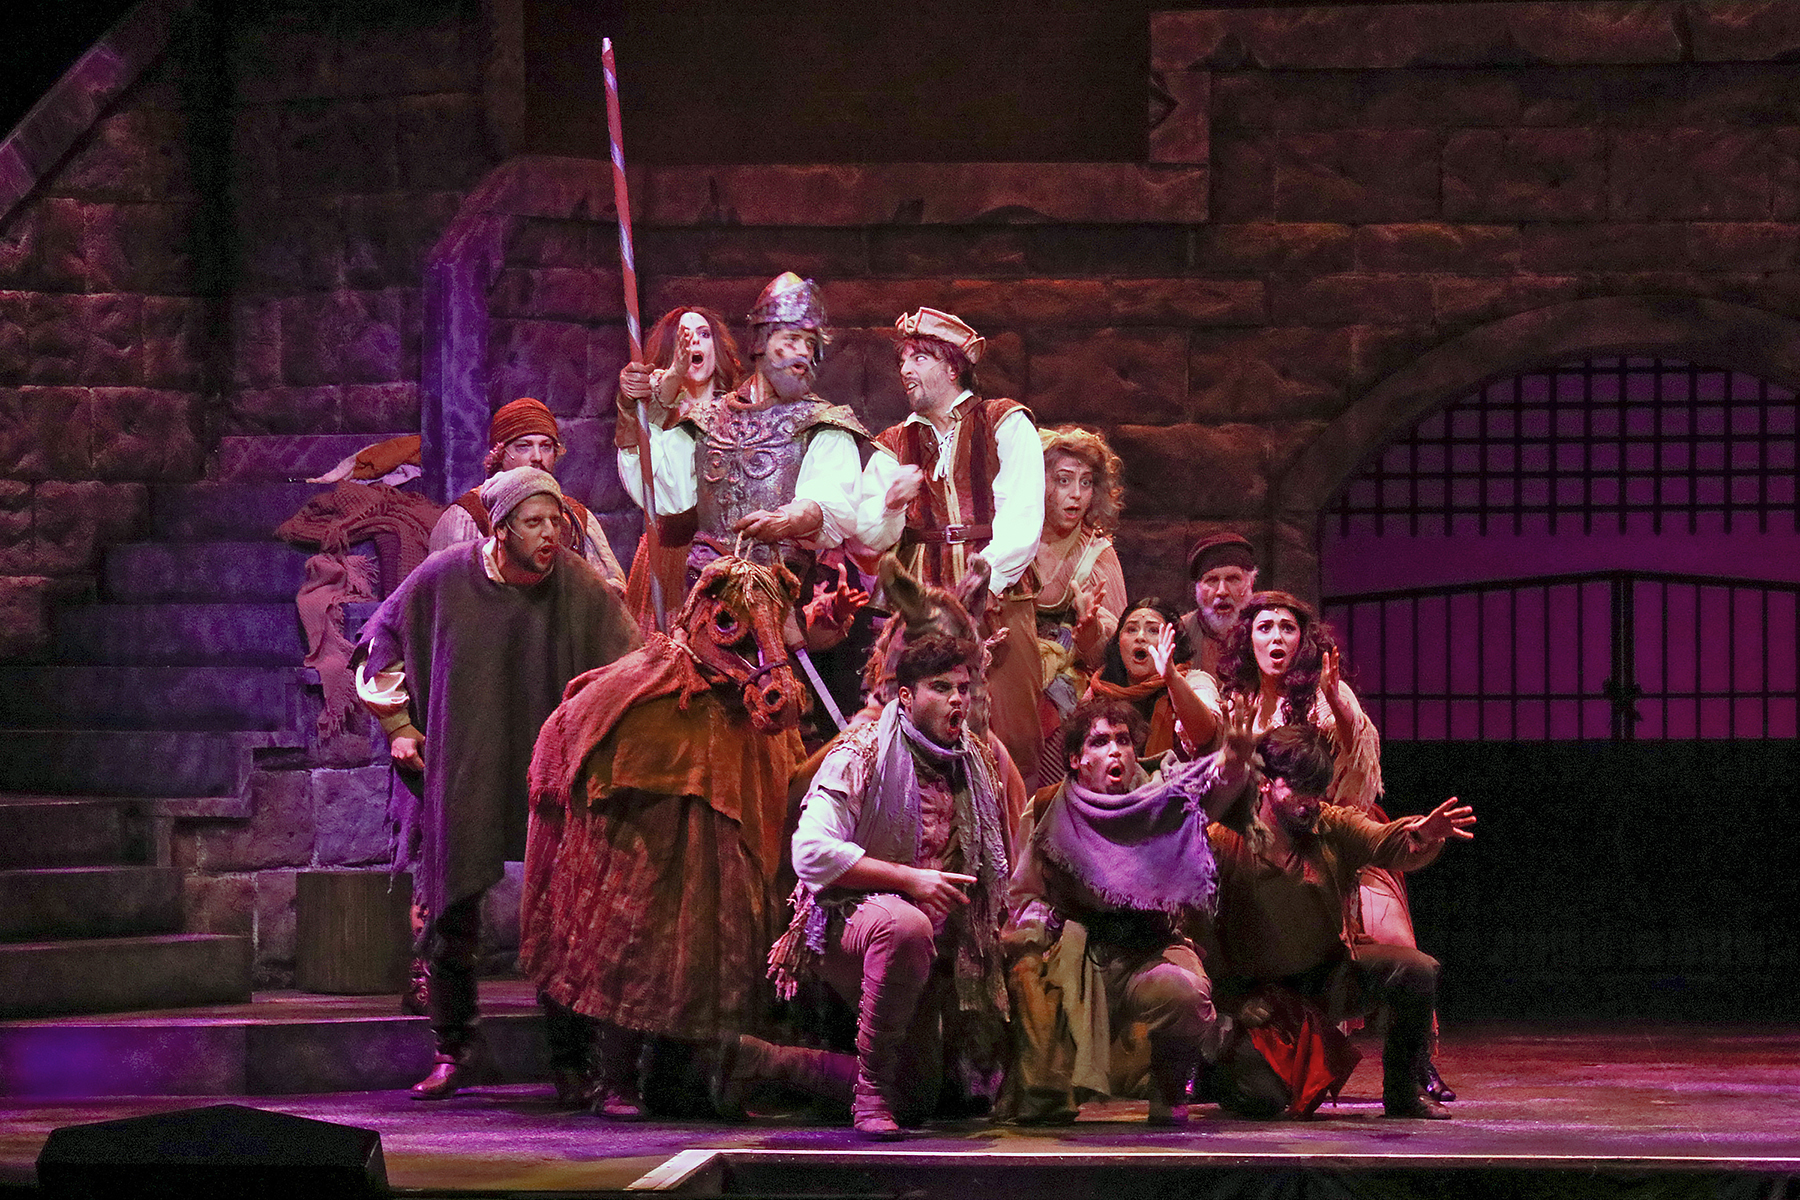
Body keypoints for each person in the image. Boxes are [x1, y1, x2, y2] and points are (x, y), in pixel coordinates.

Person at [354, 467, 640, 1099]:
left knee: (563, 912)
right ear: (502, 529)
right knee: (452, 907)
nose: (549, 534)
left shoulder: (578, 585)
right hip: (467, 760)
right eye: (534, 523)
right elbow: (380, 641)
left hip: (550, 771)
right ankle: (454, 1047)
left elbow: (630, 665)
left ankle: (571, 1061)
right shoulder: (445, 577)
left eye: (556, 522)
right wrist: (400, 726)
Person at [521, 554, 807, 1116]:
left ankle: (689, 1078)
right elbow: (570, 735)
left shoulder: (751, 717)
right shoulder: (645, 686)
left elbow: (789, 779)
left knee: (714, 948)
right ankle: (615, 1076)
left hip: (719, 858)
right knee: (634, 937)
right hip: (643, 851)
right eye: (729, 625)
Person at [725, 633, 1013, 1140]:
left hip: (927, 944)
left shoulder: (976, 760)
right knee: (904, 924)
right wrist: (909, 879)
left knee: (918, 1100)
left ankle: (767, 1061)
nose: (956, 700)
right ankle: (870, 1092)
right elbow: (810, 852)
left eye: (963, 689)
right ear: (906, 696)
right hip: (847, 920)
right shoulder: (863, 750)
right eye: (940, 688)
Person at [1214, 590, 1453, 1101]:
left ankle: (1415, 1066)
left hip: (1335, 834)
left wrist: (1422, 833)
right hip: (1253, 841)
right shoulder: (1233, 700)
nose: (1276, 637)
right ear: (1247, 639)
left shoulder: (1324, 694)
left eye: (1287, 628)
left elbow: (1356, 770)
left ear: (1304, 640)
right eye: (1264, 627)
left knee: (1402, 949)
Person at [1204, 724, 1475, 1120]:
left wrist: (1422, 833)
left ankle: (1403, 1094)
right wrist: (1233, 1000)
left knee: (1415, 970)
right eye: (1299, 789)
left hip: (1326, 978)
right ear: (1265, 783)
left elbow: (1384, 840)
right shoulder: (1225, 840)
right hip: (1257, 996)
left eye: (1318, 791)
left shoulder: (1330, 825)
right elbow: (1199, 930)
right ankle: (1214, 1069)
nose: (1310, 802)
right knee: (1263, 1100)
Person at [1000, 698, 1247, 1126]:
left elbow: (1215, 793)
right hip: (1076, 953)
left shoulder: (1162, 797)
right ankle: (1048, 1089)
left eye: (1123, 740)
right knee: (1042, 1095)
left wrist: (1236, 762)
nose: (1115, 750)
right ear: (1076, 759)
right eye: (1099, 742)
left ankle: (1169, 1088)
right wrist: (1039, 948)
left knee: (1185, 995)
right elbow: (1025, 894)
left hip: (1146, 949)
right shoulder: (1048, 807)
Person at [858, 307, 1045, 788]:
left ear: (953, 365)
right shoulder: (894, 443)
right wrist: (892, 504)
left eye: (919, 358)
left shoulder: (1003, 422)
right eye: (903, 360)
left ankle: (1012, 829)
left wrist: (981, 587)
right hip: (920, 612)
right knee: (916, 738)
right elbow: (870, 534)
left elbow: (1023, 518)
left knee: (1010, 735)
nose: (905, 369)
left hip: (999, 603)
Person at [615, 273, 869, 587]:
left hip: (779, 595)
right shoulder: (707, 420)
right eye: (791, 339)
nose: (803, 351)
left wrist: (786, 520)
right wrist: (631, 411)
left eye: (810, 343)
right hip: (709, 596)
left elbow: (831, 501)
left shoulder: (822, 424)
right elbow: (655, 483)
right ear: (761, 343)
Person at [615, 306, 746, 629]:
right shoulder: (654, 418)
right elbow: (643, 481)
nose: (695, 342)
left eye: (704, 334)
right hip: (670, 559)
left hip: (728, 559)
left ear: (717, 347)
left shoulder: (741, 414)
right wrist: (672, 377)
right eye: (684, 336)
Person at [429, 397, 627, 588]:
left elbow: (610, 592)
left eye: (546, 447)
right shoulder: (469, 515)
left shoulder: (576, 517)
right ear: (500, 454)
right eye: (523, 447)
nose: (537, 457)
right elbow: (445, 594)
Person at [1028, 426, 1128, 784]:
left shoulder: (1096, 554)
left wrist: (1089, 634)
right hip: (1011, 675)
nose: (1076, 494)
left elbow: (1117, 654)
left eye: (1086, 483)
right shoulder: (1011, 542)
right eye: (1064, 480)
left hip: (1069, 690)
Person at [1085, 597, 1189, 759]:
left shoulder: (1191, 682)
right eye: (1131, 629)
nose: (1140, 637)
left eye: (1153, 630)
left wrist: (1172, 679)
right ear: (1118, 642)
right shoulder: (1099, 689)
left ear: (1173, 642)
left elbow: (1206, 737)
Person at [1178, 532, 1257, 682]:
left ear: (1250, 583)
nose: (1222, 591)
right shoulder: (1180, 632)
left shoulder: (1266, 629)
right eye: (1212, 580)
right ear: (1197, 588)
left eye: (1233, 579)